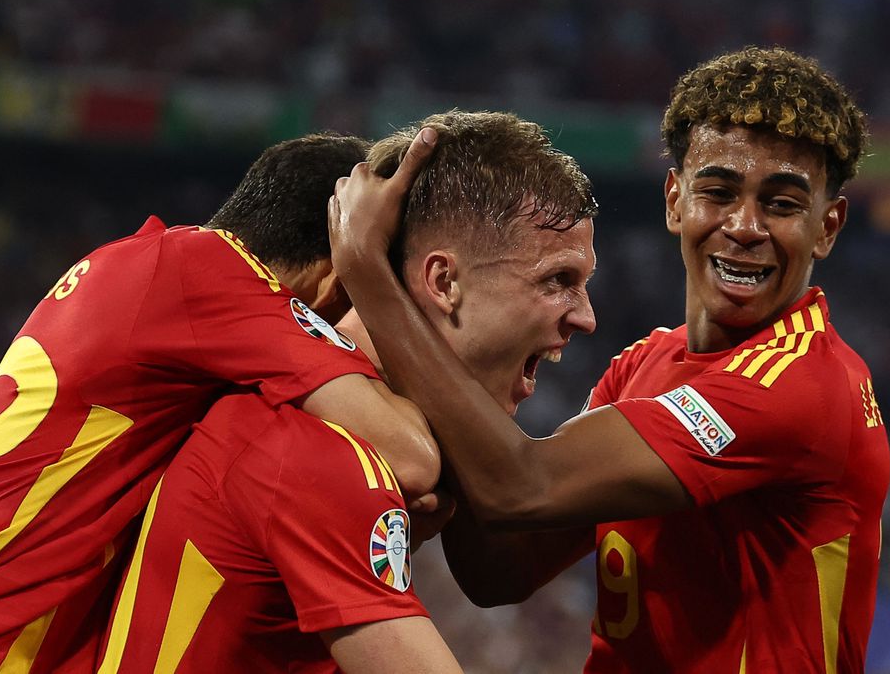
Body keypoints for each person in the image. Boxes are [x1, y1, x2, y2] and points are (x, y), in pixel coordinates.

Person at [330, 47, 890, 672]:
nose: (745, 225)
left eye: (782, 204)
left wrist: (368, 273)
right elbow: (501, 571)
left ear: (828, 226)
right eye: (719, 191)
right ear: (676, 200)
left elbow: (521, 487)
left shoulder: (799, 383)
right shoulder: (645, 365)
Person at [0, 134, 438, 673]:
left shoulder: (148, 268)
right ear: (333, 277)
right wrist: (369, 264)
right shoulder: (208, 274)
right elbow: (412, 457)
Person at [92, 110, 600, 672]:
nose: (586, 318)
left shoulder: (304, 417)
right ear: (443, 282)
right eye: (559, 281)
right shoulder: (317, 447)